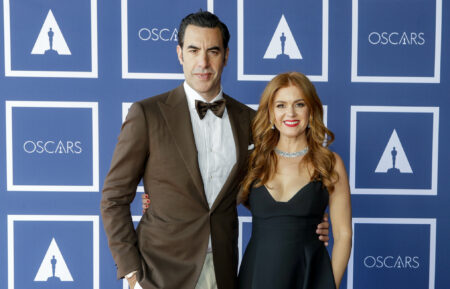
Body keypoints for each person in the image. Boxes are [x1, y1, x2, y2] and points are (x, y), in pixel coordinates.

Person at [101, 11, 329, 289]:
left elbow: (262, 186)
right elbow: (114, 197)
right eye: (194, 50)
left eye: (213, 51)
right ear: (180, 54)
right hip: (156, 271)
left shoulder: (249, 120)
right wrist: (131, 272)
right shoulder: (147, 114)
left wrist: (304, 218)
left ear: (226, 55)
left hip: (221, 271)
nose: (203, 62)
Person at [237, 72, 352, 289]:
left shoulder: (329, 162)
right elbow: (215, 208)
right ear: (270, 112)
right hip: (257, 275)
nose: (290, 113)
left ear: (311, 110)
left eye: (299, 104)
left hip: (309, 276)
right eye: (281, 105)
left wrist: (328, 285)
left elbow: (344, 235)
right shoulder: (254, 161)